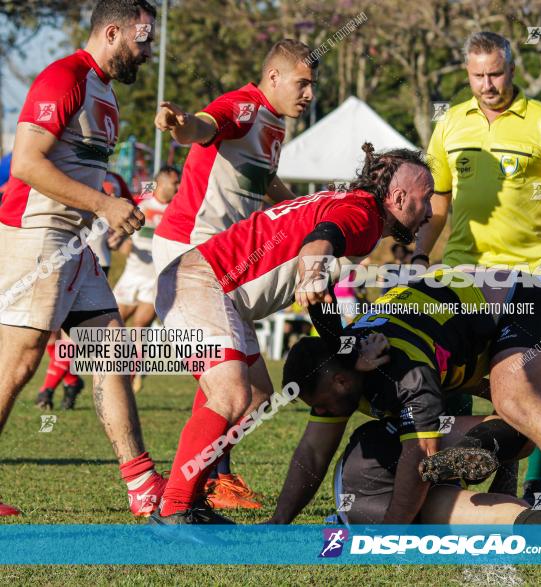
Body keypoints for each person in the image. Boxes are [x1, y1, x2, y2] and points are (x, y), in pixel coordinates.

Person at [148, 146, 434, 525]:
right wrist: (313, 270)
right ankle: (175, 509)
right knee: (232, 395)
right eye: (425, 199)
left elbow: (322, 297)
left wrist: (348, 351)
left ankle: (190, 496)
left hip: (213, 288)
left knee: (256, 399)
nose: (430, 212)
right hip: (201, 283)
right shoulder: (364, 213)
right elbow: (320, 241)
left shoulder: (353, 204)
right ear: (398, 198)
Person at [414, 31, 541, 505]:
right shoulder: (451, 124)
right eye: (478, 75)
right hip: (462, 278)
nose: (487, 84)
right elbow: (438, 201)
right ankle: (456, 477)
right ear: (467, 73)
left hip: (526, 279)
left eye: (496, 73)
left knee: (523, 390)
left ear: (512, 70)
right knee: (449, 376)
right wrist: (420, 256)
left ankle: (531, 480)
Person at [270, 268, 541, 525]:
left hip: (517, 301)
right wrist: (278, 522)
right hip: (456, 340)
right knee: (475, 429)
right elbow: (312, 452)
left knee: (514, 404)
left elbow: (419, 455)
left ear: (340, 383)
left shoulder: (404, 374)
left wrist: (391, 534)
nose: (318, 413)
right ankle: (484, 464)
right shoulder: (344, 364)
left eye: (318, 404)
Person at [0, 0, 164, 518]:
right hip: (38, 234)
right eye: (143, 40)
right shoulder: (63, 76)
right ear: (112, 32)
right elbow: (25, 164)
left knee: (110, 349)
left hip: (74, 242)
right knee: (20, 361)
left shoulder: (106, 92)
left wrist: (106, 209)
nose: (148, 51)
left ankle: (142, 484)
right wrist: (103, 204)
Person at [151, 38, 316, 508]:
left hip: (219, 265)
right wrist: (181, 123)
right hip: (187, 256)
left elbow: (263, 182)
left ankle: (206, 477)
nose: (308, 93)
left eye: (312, 85)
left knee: (260, 392)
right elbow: (204, 125)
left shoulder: (274, 126)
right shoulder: (244, 106)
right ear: (274, 79)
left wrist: (304, 207)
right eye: (301, 83)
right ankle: (188, 492)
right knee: (229, 389)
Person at [270, 417, 541, 526]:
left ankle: (446, 463)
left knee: (516, 421)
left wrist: (279, 520)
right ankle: (453, 459)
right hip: (382, 487)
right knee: (516, 421)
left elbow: (313, 449)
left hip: (376, 453)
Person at [36, 170, 134, 411]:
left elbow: (130, 208)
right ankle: (70, 381)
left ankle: (46, 390)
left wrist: (122, 232)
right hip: (56, 254)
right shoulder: (64, 168)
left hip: (95, 258)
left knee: (73, 335)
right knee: (49, 329)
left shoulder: (114, 180)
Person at [113, 165, 179, 393]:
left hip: (156, 277)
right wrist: (121, 242)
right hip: (132, 273)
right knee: (115, 322)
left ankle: (135, 371)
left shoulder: (176, 211)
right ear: (159, 183)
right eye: (174, 183)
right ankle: (116, 366)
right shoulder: (142, 204)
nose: (178, 187)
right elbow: (119, 234)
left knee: (141, 324)